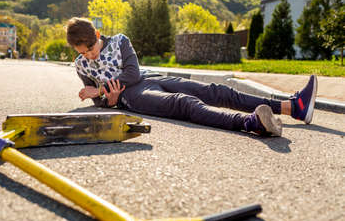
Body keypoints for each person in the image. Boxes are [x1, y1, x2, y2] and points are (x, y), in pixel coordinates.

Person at [66, 17, 317, 137]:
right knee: (183, 103)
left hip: (148, 77)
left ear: (97, 34)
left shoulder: (120, 41)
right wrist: (108, 99)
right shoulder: (81, 66)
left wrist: (99, 91)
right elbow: (102, 104)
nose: (89, 56)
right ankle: (252, 123)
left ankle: (293, 107)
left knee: (216, 91)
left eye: (91, 49)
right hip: (133, 96)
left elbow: (132, 73)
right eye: (83, 53)